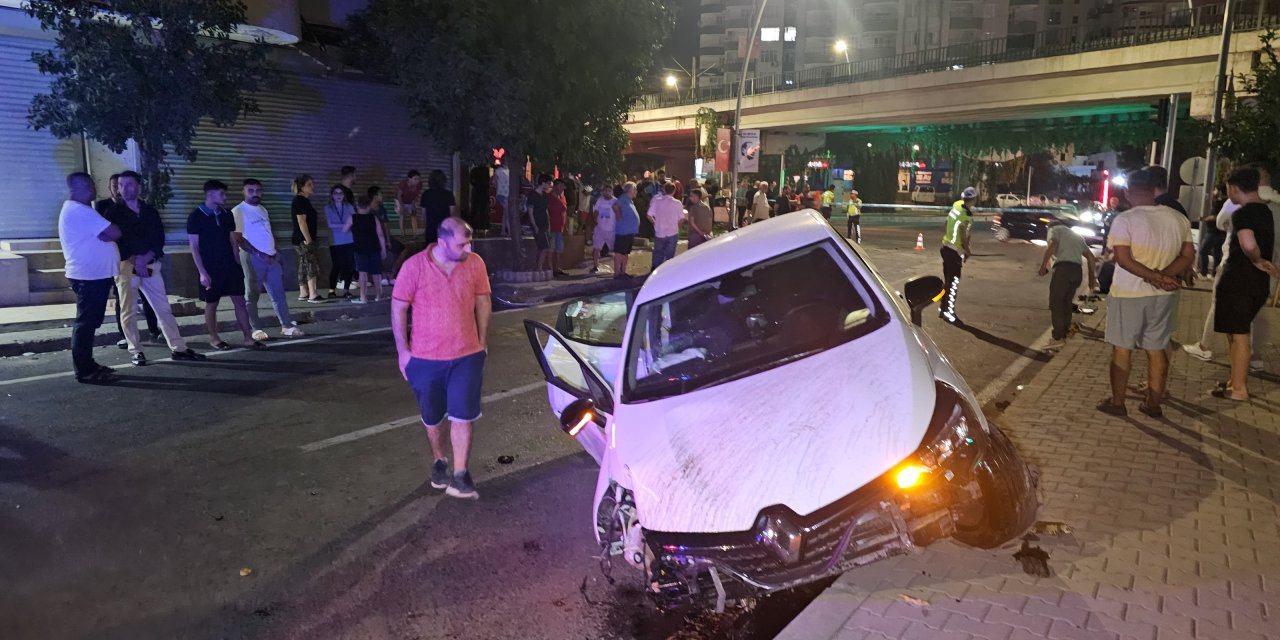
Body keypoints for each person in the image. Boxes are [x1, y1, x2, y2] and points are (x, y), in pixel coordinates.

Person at [392, 217, 492, 500]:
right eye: (462, 243)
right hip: (425, 359)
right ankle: (440, 460)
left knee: (463, 415)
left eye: (469, 241)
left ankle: (461, 474)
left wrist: (482, 342)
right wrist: (403, 352)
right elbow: (398, 308)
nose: (468, 248)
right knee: (433, 417)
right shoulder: (414, 267)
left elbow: (483, 300)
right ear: (442, 240)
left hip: (466, 356)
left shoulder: (474, 264)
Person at [1096, 167, 1194, 418]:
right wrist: (1165, 277)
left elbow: (1123, 259)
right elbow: (1187, 256)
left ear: (1128, 193)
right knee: (1157, 348)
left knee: (1121, 350)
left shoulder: (1125, 220)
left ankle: (1118, 403)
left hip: (1128, 294)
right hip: (1164, 296)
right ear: (1153, 191)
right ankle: (1153, 404)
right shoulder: (1177, 219)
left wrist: (1155, 277)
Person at [105, 171, 205, 366]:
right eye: (121, 185)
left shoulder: (150, 211)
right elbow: (115, 241)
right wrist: (136, 260)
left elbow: (158, 238)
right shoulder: (113, 213)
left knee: (163, 308)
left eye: (129, 184)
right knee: (128, 310)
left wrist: (146, 257)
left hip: (151, 264)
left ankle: (178, 348)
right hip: (126, 266)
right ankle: (135, 350)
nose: (124, 189)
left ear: (139, 187)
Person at [1211, 166, 1279, 401]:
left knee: (1238, 335)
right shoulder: (1266, 211)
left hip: (1240, 279)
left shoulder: (1243, 214)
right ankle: (1234, 380)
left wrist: (1256, 259)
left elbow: (1248, 244)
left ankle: (1239, 388)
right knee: (1236, 331)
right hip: (1256, 283)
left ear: (1233, 187)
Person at [60, 172, 121, 384]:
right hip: (89, 277)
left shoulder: (79, 211)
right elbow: (114, 232)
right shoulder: (80, 211)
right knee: (85, 324)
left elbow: (105, 235)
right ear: (81, 187)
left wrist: (103, 235)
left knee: (89, 322)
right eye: (91, 185)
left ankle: (89, 364)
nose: (95, 189)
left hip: (91, 275)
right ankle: (84, 370)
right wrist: (105, 234)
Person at [187, 180, 258, 351]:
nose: (225, 197)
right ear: (210, 194)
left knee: (239, 300)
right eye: (221, 194)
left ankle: (248, 337)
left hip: (230, 266)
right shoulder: (196, 216)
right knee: (212, 303)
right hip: (210, 267)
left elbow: (232, 238)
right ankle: (214, 338)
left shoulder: (227, 214)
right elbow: (194, 247)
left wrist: (236, 261)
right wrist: (202, 272)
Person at [232, 178, 302, 342]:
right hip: (253, 258)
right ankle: (255, 328)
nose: (255, 194)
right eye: (251, 190)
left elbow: (268, 232)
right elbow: (238, 238)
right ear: (243, 191)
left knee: (278, 294)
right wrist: (258, 253)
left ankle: (286, 326)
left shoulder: (263, 209)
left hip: (272, 258)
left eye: (258, 191)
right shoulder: (238, 211)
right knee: (252, 295)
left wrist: (276, 252)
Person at [97, 172, 158, 347]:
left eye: (124, 185)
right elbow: (108, 236)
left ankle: (155, 330)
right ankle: (128, 339)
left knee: (151, 300)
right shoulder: (107, 209)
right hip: (121, 262)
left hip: (146, 261)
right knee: (124, 303)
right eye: (116, 186)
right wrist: (131, 257)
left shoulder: (145, 210)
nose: (120, 189)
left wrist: (146, 256)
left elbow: (154, 237)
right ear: (110, 188)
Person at [1038, 219, 1098, 350]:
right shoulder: (1076, 236)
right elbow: (1091, 257)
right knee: (1066, 303)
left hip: (1063, 270)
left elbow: (1053, 244)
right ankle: (1064, 334)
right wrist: (1092, 278)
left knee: (1056, 303)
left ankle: (1058, 338)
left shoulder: (1054, 230)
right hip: (1076, 272)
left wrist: (1043, 266)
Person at [939, 187, 977, 325]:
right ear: (973, 200)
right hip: (954, 252)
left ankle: (943, 309)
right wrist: (967, 250)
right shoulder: (967, 215)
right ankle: (949, 312)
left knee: (948, 281)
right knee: (953, 283)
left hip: (945, 247)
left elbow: (946, 222)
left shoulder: (956, 205)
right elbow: (964, 234)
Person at [351, 194, 388, 304]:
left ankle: (363, 297)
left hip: (360, 249)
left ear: (357, 206)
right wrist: (384, 250)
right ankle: (379, 296)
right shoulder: (374, 218)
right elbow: (380, 235)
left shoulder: (353, 217)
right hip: (374, 248)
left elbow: (344, 229)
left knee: (362, 273)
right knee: (376, 273)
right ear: (368, 206)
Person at [291, 175, 323, 303]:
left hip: (300, 239)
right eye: (309, 184)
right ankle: (313, 294)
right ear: (301, 187)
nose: (312, 187)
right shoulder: (300, 201)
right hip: (303, 239)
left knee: (304, 264)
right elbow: (301, 221)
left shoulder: (303, 200)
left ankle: (303, 292)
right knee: (311, 264)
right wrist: (308, 239)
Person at [325, 184, 356, 299]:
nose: (338, 196)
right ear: (332, 195)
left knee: (349, 266)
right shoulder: (328, 208)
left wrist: (346, 226)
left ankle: (346, 290)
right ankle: (331, 290)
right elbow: (330, 224)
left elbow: (354, 221)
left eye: (341, 193)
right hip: (335, 241)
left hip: (349, 240)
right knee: (336, 266)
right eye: (336, 193)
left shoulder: (349, 206)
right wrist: (345, 225)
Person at [648, 181, 685, 270]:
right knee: (670, 254)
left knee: (658, 252)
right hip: (672, 232)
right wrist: (677, 226)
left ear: (664, 190)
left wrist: (655, 222)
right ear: (674, 191)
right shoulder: (677, 203)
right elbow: (682, 218)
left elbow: (649, 215)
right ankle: (668, 270)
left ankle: (655, 270)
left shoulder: (657, 201)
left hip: (659, 231)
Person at [420, 169, 457, 247]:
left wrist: (425, 227)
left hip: (431, 228)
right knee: (445, 250)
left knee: (430, 250)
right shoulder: (449, 194)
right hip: (445, 228)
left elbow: (423, 214)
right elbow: (453, 213)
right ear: (443, 180)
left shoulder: (426, 194)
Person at [613, 182, 641, 278]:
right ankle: (617, 273)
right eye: (635, 189)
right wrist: (619, 215)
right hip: (623, 231)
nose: (636, 191)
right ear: (629, 190)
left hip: (629, 231)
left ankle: (623, 272)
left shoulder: (629, 200)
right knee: (619, 252)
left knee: (625, 252)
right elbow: (615, 206)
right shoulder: (623, 199)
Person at [1199, 186, 1229, 276]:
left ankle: (1203, 272)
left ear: (1219, 192)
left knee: (1203, 250)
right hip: (1221, 232)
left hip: (1213, 232)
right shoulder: (1227, 203)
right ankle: (1215, 273)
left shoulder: (1219, 203)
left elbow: (1215, 217)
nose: (1213, 192)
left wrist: (1204, 218)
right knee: (1217, 252)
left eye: (1215, 190)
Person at [590, 184, 617, 273]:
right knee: (596, 248)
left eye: (609, 191)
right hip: (600, 228)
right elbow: (596, 211)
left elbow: (618, 213)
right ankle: (595, 266)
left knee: (616, 250)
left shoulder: (615, 201)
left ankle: (618, 268)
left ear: (612, 192)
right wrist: (594, 220)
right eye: (605, 191)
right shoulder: (600, 200)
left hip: (611, 230)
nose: (607, 193)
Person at [548, 179, 569, 276]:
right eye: (560, 186)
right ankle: (550, 269)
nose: (562, 188)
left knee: (559, 249)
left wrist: (566, 225)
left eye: (563, 186)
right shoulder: (549, 197)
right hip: (552, 227)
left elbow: (564, 211)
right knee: (551, 249)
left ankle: (556, 268)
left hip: (560, 227)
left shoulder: (562, 197)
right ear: (555, 186)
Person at [396, 170, 423, 236]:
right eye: (415, 179)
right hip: (401, 200)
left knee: (413, 215)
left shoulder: (419, 185)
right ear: (409, 179)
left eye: (418, 179)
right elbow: (399, 195)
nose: (417, 181)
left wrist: (414, 202)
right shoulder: (403, 184)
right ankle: (402, 233)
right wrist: (401, 206)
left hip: (411, 200)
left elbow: (417, 194)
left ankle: (415, 234)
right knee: (402, 215)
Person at [493, 162, 509, 233]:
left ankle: (503, 230)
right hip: (501, 194)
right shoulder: (498, 170)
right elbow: (494, 181)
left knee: (506, 213)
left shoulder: (510, 170)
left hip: (508, 194)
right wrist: (498, 188)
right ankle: (508, 230)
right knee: (507, 211)